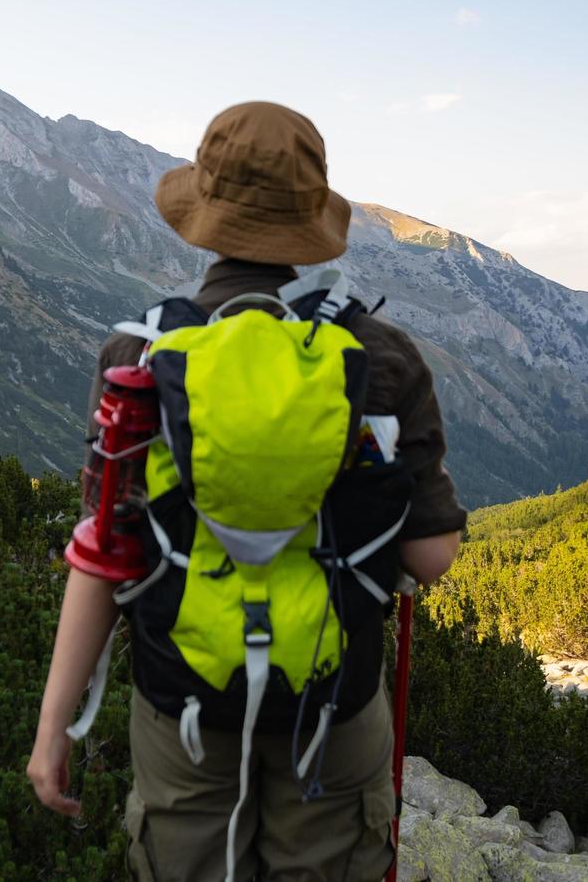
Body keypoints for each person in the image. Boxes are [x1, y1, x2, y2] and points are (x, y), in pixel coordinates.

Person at [27, 102, 467, 881]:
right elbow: (430, 559)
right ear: (310, 225)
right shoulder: (379, 356)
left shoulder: (140, 357)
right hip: (333, 707)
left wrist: (55, 723)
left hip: (183, 704)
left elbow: (103, 551)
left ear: (201, 213)